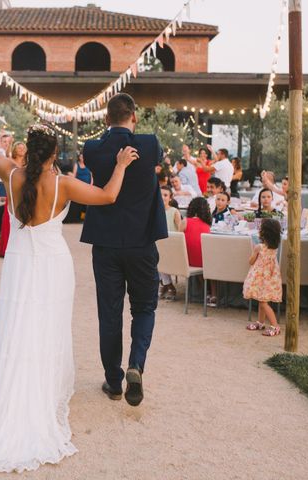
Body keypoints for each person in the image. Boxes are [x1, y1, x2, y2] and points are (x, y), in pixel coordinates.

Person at [0, 97, 140, 472]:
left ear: (30, 151)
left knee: (16, 326)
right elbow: (109, 195)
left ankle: (12, 397)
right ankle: (39, 396)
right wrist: (122, 164)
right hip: (52, 267)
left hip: (18, 265)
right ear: (54, 152)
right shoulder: (64, 184)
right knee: (45, 330)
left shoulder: (12, 176)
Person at [82, 93, 167, 409]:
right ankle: (136, 364)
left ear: (105, 119)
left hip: (105, 244)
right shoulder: (149, 144)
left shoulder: (92, 149)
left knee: (110, 312)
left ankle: (114, 381)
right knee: (144, 308)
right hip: (142, 243)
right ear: (135, 117)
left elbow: (104, 149)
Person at [244, 218, 283, 336]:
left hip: (261, 277)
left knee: (263, 303)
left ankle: (275, 326)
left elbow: (251, 261)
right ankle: (260, 322)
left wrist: (252, 255)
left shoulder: (259, 247)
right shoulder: (274, 247)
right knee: (262, 300)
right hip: (270, 277)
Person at [159, 185, 180, 299]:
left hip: (172, 245)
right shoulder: (154, 210)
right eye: (161, 194)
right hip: (159, 244)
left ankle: (166, 284)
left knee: (160, 256)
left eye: (165, 195)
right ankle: (167, 284)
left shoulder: (174, 212)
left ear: (170, 198)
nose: (162, 197)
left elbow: (181, 230)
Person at [180, 197, 211, 268]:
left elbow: (178, 242)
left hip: (186, 261)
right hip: (204, 262)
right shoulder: (207, 225)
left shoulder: (185, 221)